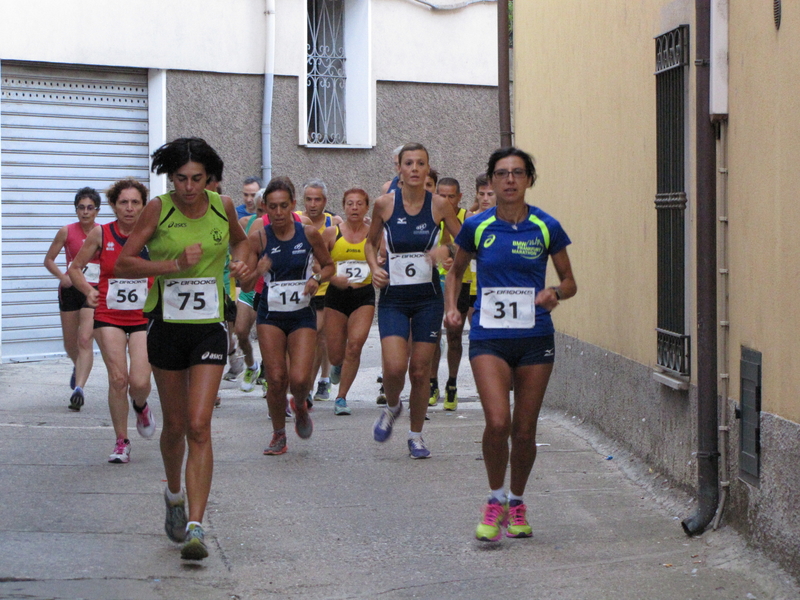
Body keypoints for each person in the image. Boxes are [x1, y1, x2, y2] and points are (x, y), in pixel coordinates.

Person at [115, 138, 253, 561]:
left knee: (198, 424)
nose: (189, 187)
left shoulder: (222, 205)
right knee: (174, 426)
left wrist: (243, 261)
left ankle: (196, 525)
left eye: (197, 179)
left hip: (209, 328)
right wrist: (173, 266)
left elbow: (240, 242)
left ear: (208, 177)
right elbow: (123, 262)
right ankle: (173, 494)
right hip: (166, 327)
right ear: (169, 177)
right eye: (180, 179)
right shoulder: (159, 208)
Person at [444, 147, 577, 542]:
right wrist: (452, 307)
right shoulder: (478, 226)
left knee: (524, 429)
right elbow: (456, 271)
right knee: (498, 422)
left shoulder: (546, 226)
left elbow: (570, 281)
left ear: (529, 179)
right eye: (501, 174)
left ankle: (517, 501)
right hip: (490, 336)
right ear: (491, 181)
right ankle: (494, 497)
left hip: (535, 336)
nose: (509, 180)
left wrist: (555, 292)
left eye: (517, 173)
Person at [365, 142, 462, 459]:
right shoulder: (383, 205)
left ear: (428, 168)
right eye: (409, 163)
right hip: (393, 297)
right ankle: (393, 406)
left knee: (420, 372)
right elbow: (370, 244)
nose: (416, 169)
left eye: (421, 163)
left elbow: (464, 244)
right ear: (400, 170)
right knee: (394, 367)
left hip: (427, 299)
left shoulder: (439, 206)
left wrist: (445, 252)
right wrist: (374, 268)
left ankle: (416, 436)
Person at [243, 177, 334, 455]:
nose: (279, 212)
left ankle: (302, 407)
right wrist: (257, 271)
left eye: (284, 206)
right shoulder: (258, 238)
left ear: (293, 205)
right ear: (265, 208)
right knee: (277, 377)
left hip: (301, 313)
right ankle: (278, 434)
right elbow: (246, 286)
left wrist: (316, 278)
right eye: (273, 207)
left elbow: (329, 266)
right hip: (271, 314)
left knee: (299, 378)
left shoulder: (308, 234)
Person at [67, 178, 156, 463]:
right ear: (114, 206)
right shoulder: (100, 234)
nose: (129, 208)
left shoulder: (154, 234)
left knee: (139, 381)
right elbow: (75, 269)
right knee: (118, 379)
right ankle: (121, 441)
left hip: (144, 315)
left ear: (143, 206)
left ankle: (140, 405)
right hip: (109, 314)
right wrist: (87, 292)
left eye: (135, 203)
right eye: (123, 203)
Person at [43, 187, 102, 410]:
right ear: (76, 209)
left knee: (85, 339)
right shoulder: (66, 231)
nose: (85, 212)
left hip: (92, 291)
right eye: (81, 207)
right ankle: (78, 366)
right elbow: (48, 260)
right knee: (70, 343)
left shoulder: (103, 232)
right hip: (69, 289)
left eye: (90, 208)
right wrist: (62, 276)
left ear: (97, 210)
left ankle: (79, 389)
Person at [322, 189, 375, 416]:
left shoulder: (374, 233)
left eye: (359, 204)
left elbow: (382, 258)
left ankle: (341, 397)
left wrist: (380, 266)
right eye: (350, 204)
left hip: (363, 296)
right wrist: (333, 277)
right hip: (335, 296)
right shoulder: (331, 233)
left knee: (354, 346)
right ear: (344, 206)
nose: (354, 208)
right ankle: (337, 365)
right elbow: (317, 264)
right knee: (336, 355)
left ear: (366, 208)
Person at [428, 177, 472, 411]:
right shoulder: (432, 216)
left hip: (460, 283)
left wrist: (452, 253)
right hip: (435, 282)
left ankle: (452, 383)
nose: (445, 200)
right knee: (433, 336)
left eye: (451, 196)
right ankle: (432, 383)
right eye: (441, 195)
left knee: (454, 336)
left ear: (459, 197)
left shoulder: (467, 219)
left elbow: (472, 245)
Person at [297, 179, 342, 402]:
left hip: (325, 287)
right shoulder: (296, 219)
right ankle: (307, 384)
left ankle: (321, 381)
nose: (312, 204)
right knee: (312, 337)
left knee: (319, 336)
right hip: (301, 288)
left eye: (317, 199)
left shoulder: (334, 222)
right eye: (308, 199)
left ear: (325, 201)